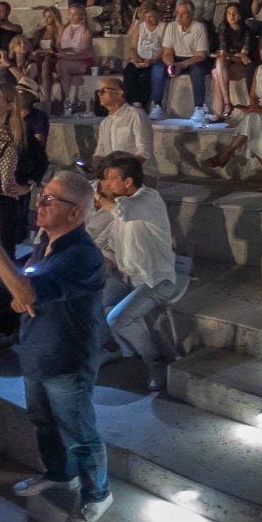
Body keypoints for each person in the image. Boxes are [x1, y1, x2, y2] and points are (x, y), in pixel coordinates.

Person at [0, 172, 115, 522]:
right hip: (38, 350)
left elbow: (26, 290)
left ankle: (98, 494)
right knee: (44, 422)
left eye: (50, 199)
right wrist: (22, 295)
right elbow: (27, 287)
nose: (40, 203)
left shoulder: (82, 255)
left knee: (78, 431)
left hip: (67, 358)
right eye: (42, 195)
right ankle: (59, 473)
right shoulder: (47, 242)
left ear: (75, 212)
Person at [88, 151, 182, 377]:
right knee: (91, 303)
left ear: (128, 181)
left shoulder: (149, 198)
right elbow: (107, 241)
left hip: (155, 280)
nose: (107, 184)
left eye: (111, 179)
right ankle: (113, 349)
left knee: (118, 319)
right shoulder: (122, 204)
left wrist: (99, 195)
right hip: (126, 277)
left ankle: (155, 362)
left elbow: (122, 212)